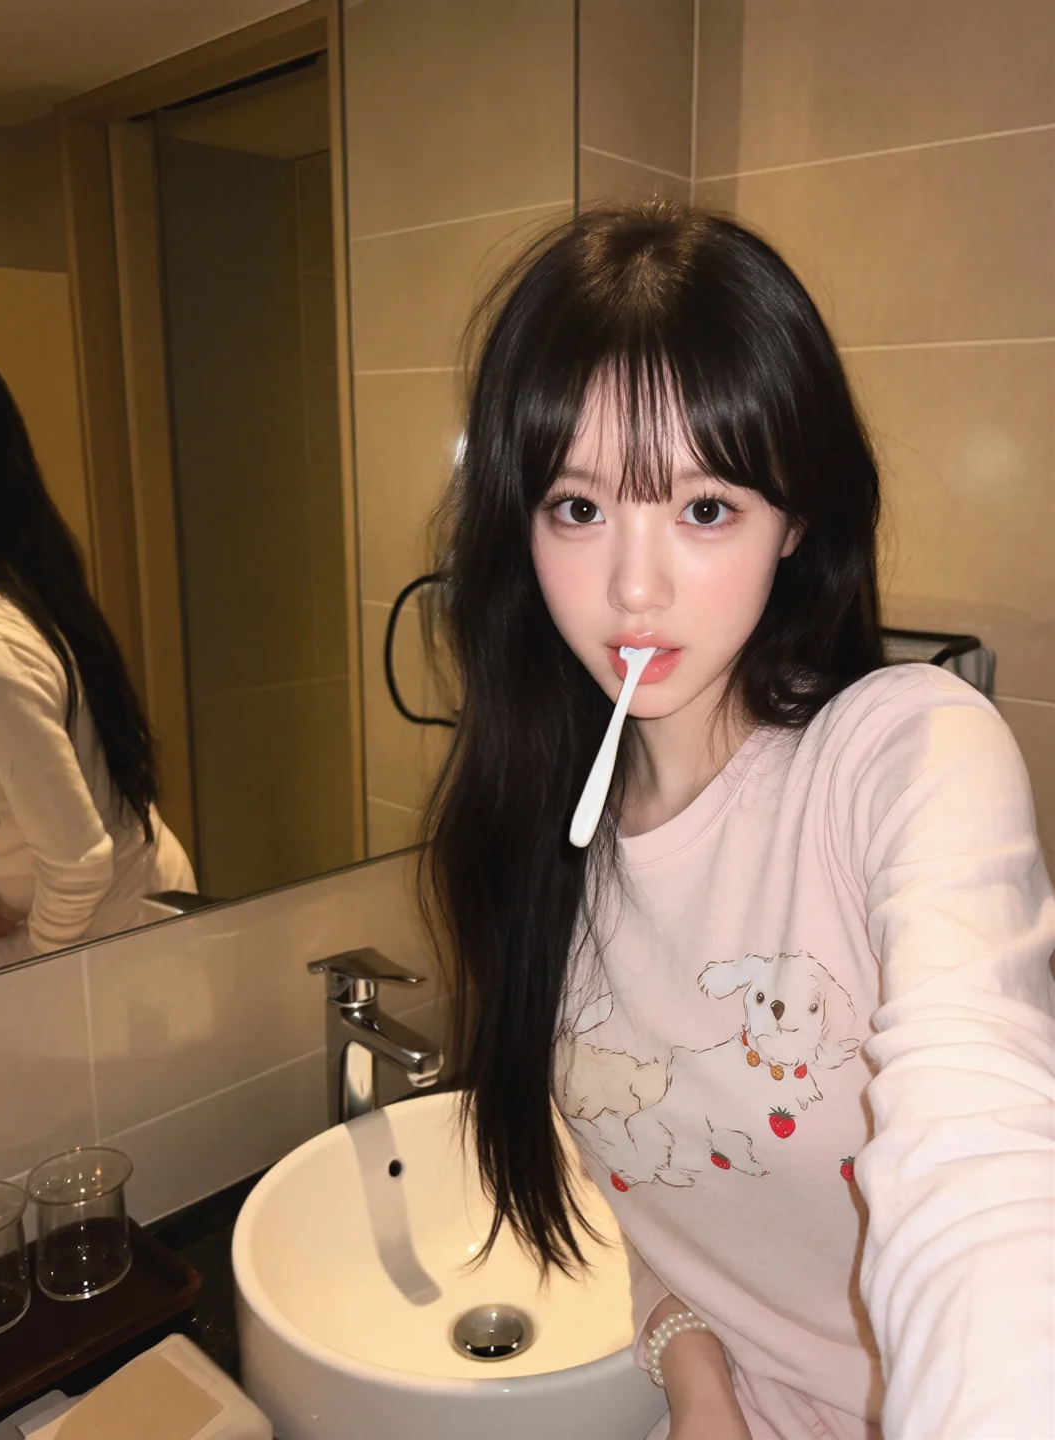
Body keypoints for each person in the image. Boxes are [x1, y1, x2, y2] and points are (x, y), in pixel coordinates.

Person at [420, 204, 1055, 1439]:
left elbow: (982, 1160)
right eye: (578, 508)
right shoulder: (529, 841)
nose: (633, 587)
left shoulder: (902, 756)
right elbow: (647, 1181)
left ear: (795, 520)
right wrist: (690, 1362)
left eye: (705, 509)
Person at [0, 353, 195, 972]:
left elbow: (78, 866)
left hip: (115, 931)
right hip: (94, 914)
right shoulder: (25, 575)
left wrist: (32, 966)